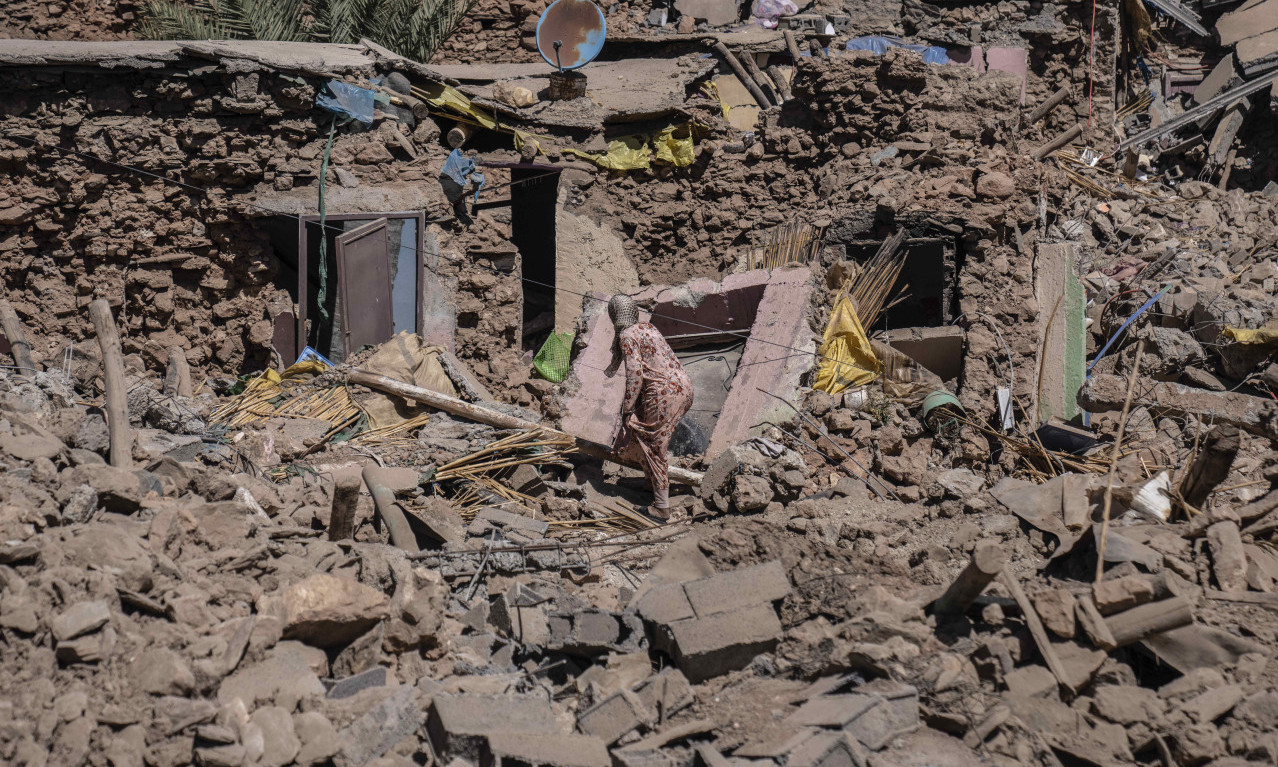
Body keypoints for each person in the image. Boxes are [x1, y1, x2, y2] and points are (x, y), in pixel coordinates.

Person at [607, 294, 694, 520]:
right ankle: (651, 483)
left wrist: (627, 408)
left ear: (615, 316)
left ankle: (661, 506)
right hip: (683, 387)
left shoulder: (627, 335)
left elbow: (635, 374)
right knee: (644, 435)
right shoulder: (648, 327)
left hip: (663, 392)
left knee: (655, 446)